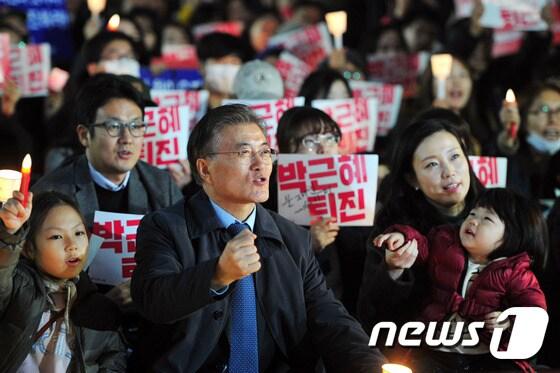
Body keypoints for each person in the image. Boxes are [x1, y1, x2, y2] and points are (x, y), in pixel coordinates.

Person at [130, 104, 386, 372]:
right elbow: (153, 301)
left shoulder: (293, 238)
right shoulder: (164, 227)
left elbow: (329, 317)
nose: (260, 163)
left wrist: (371, 365)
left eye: (265, 152)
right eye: (243, 153)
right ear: (205, 170)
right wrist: (217, 275)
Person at [374, 188, 547, 371]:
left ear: (513, 234)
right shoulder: (445, 243)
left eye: (487, 219)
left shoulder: (517, 273)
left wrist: (510, 321)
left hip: (487, 354)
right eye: (472, 213)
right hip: (437, 348)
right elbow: (421, 244)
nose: (473, 220)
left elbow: (534, 312)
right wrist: (403, 238)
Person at [358, 117, 484, 359]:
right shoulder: (393, 234)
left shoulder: (502, 214)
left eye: (455, 157)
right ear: (412, 179)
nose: (449, 172)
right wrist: (392, 271)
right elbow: (371, 313)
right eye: (431, 165)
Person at [33, 73, 182, 229]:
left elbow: (184, 246)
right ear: (84, 135)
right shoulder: (51, 192)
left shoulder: (162, 185)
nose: (127, 138)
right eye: (114, 127)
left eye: (135, 126)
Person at [0, 191, 126, 372]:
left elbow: (114, 362)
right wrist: (10, 235)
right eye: (56, 236)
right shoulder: (16, 287)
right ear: (28, 249)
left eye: (79, 233)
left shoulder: (102, 310)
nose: (72, 244)